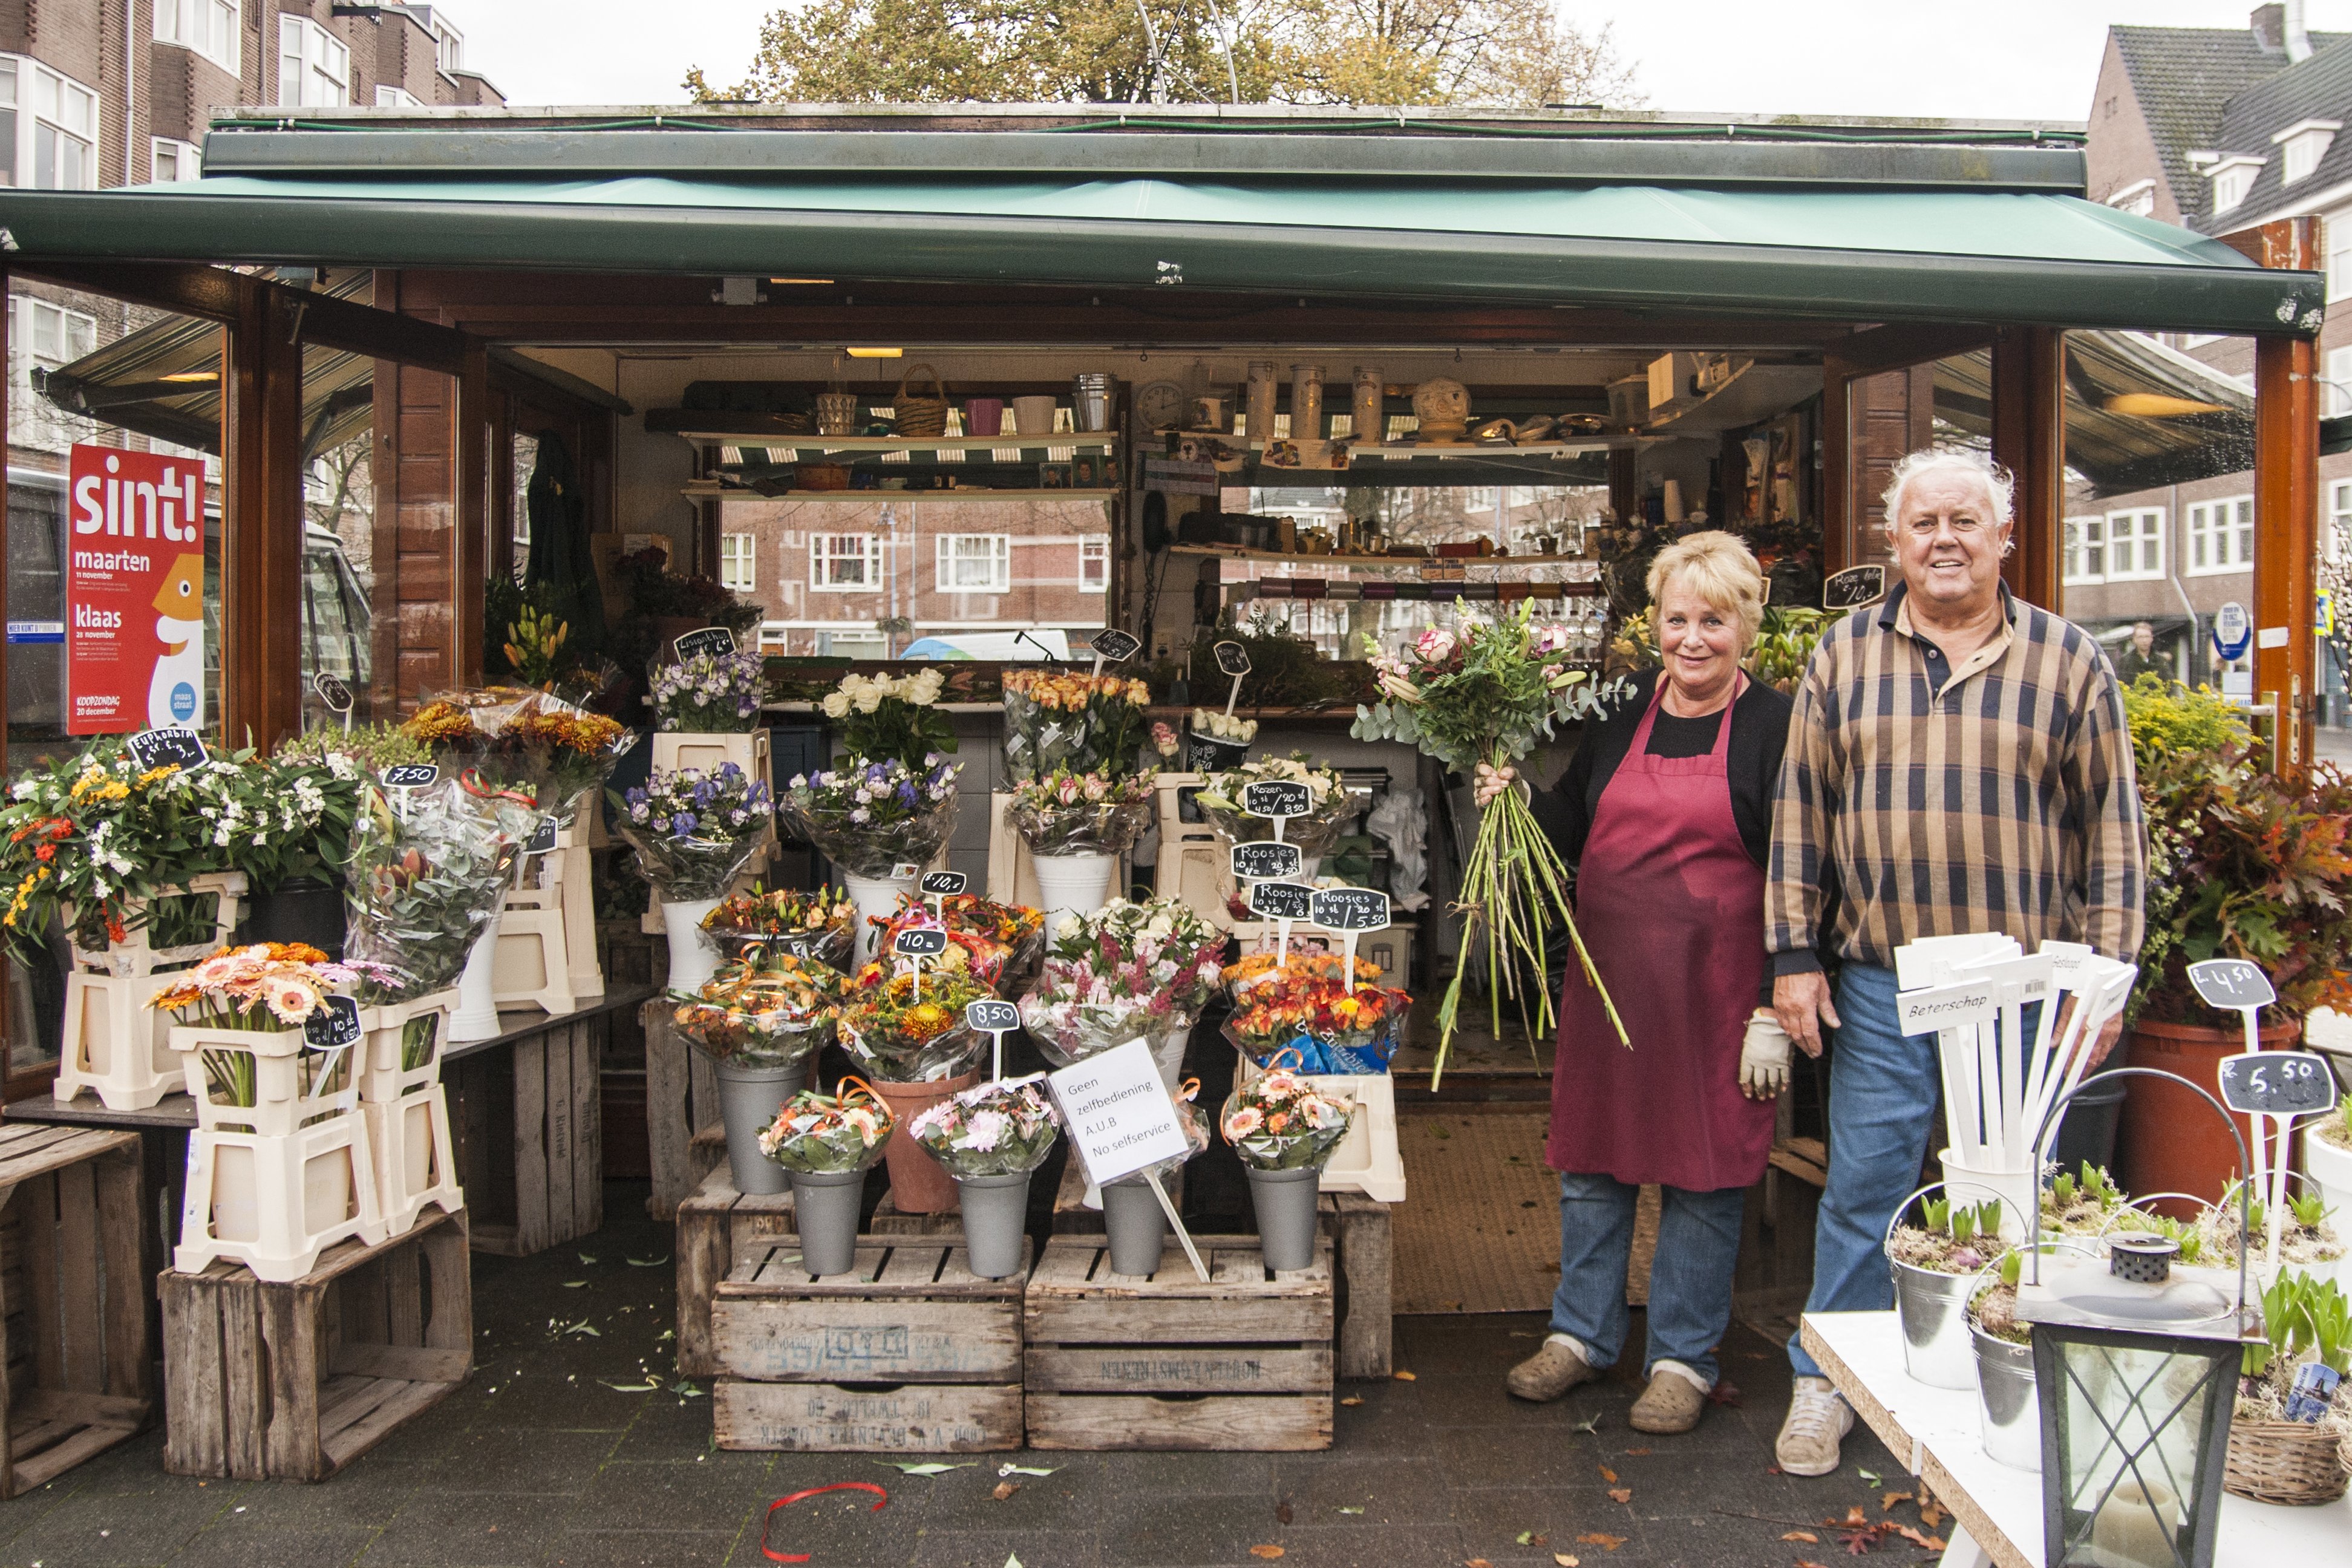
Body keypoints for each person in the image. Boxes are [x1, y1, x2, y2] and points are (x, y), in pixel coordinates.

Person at [1765, 448, 2145, 1475]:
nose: (1943, 539)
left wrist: (2104, 977)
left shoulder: (2068, 660)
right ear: (1891, 542)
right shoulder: (1842, 656)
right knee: (1864, 1185)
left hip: (2023, 991)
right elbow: (1799, 813)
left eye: (1964, 522)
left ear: (2001, 539)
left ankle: (2008, 1387)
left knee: (2017, 1190)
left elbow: (2111, 831)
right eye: (1923, 522)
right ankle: (1827, 1381)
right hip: (1883, 982)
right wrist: (1792, 956)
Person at [1503, 531, 1797, 1435]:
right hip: (1611, 985)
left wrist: (1776, 1002)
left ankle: (1681, 1358)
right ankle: (1582, 1337)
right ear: (1655, 626)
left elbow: (1800, 870)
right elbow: (1567, 820)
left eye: (1715, 619)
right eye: (1679, 620)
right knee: (1592, 1162)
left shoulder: (1774, 727)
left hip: (1717, 997)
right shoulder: (1624, 706)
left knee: (1705, 1177)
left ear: (1746, 624)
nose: (1694, 639)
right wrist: (1507, 793)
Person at [2113, 620, 2167, 686]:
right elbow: (2121, 685)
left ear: (2152, 638)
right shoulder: (2125, 661)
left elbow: (2170, 684)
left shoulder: (2161, 661)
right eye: (2140, 637)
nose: (2144, 641)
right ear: (2134, 639)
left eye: (2147, 637)